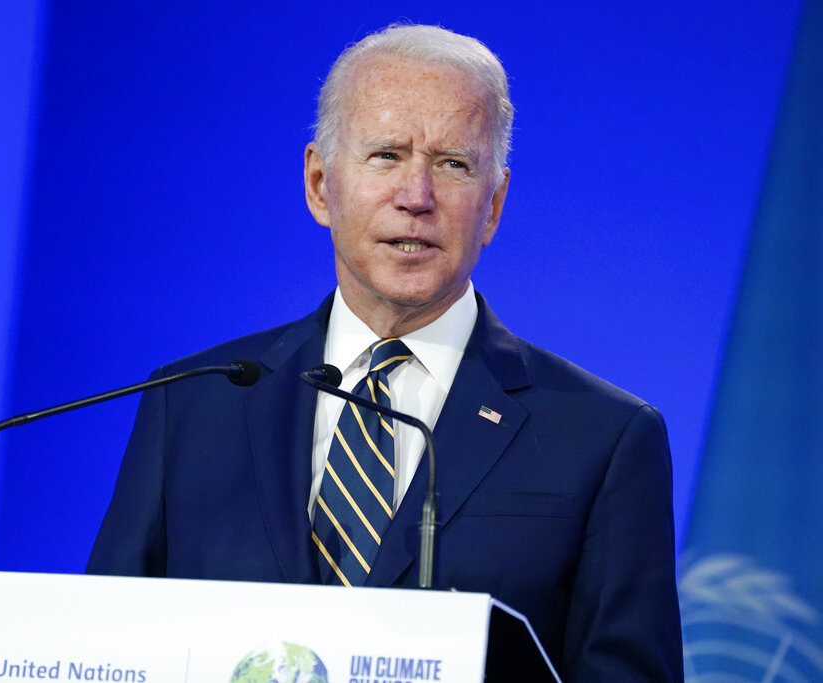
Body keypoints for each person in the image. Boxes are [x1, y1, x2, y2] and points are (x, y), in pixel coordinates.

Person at [88, 23, 683, 680]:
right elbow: (106, 651)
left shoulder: (603, 437)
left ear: (494, 206)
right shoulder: (193, 405)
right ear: (320, 183)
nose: (416, 197)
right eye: (385, 156)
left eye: (453, 164)